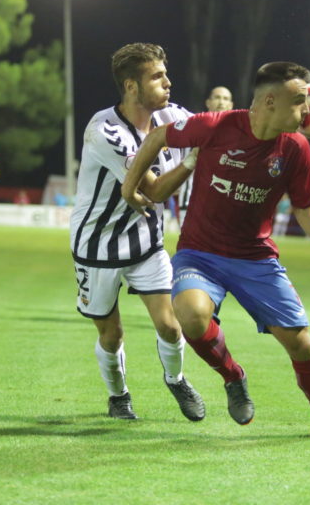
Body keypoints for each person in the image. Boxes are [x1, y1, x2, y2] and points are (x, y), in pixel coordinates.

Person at [122, 61, 310, 441]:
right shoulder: (215, 126)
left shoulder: (296, 148)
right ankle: (233, 376)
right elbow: (156, 138)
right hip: (200, 253)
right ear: (269, 101)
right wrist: (128, 187)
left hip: (256, 258)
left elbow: (304, 204)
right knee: (192, 315)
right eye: (299, 102)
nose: (307, 112)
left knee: (300, 343)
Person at [70, 42, 205, 421]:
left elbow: (215, 129)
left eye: (166, 73)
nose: (168, 82)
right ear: (132, 86)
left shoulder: (172, 115)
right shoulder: (105, 132)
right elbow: (154, 189)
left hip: (145, 240)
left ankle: (176, 379)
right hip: (96, 245)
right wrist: (193, 159)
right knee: (111, 335)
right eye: (157, 76)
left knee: (169, 324)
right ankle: (119, 397)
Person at [176, 86, 235, 225]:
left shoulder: (238, 136)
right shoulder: (194, 126)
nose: (221, 102)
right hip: (191, 201)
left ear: (231, 105)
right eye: (217, 97)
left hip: (223, 204)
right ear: (208, 102)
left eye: (225, 99)